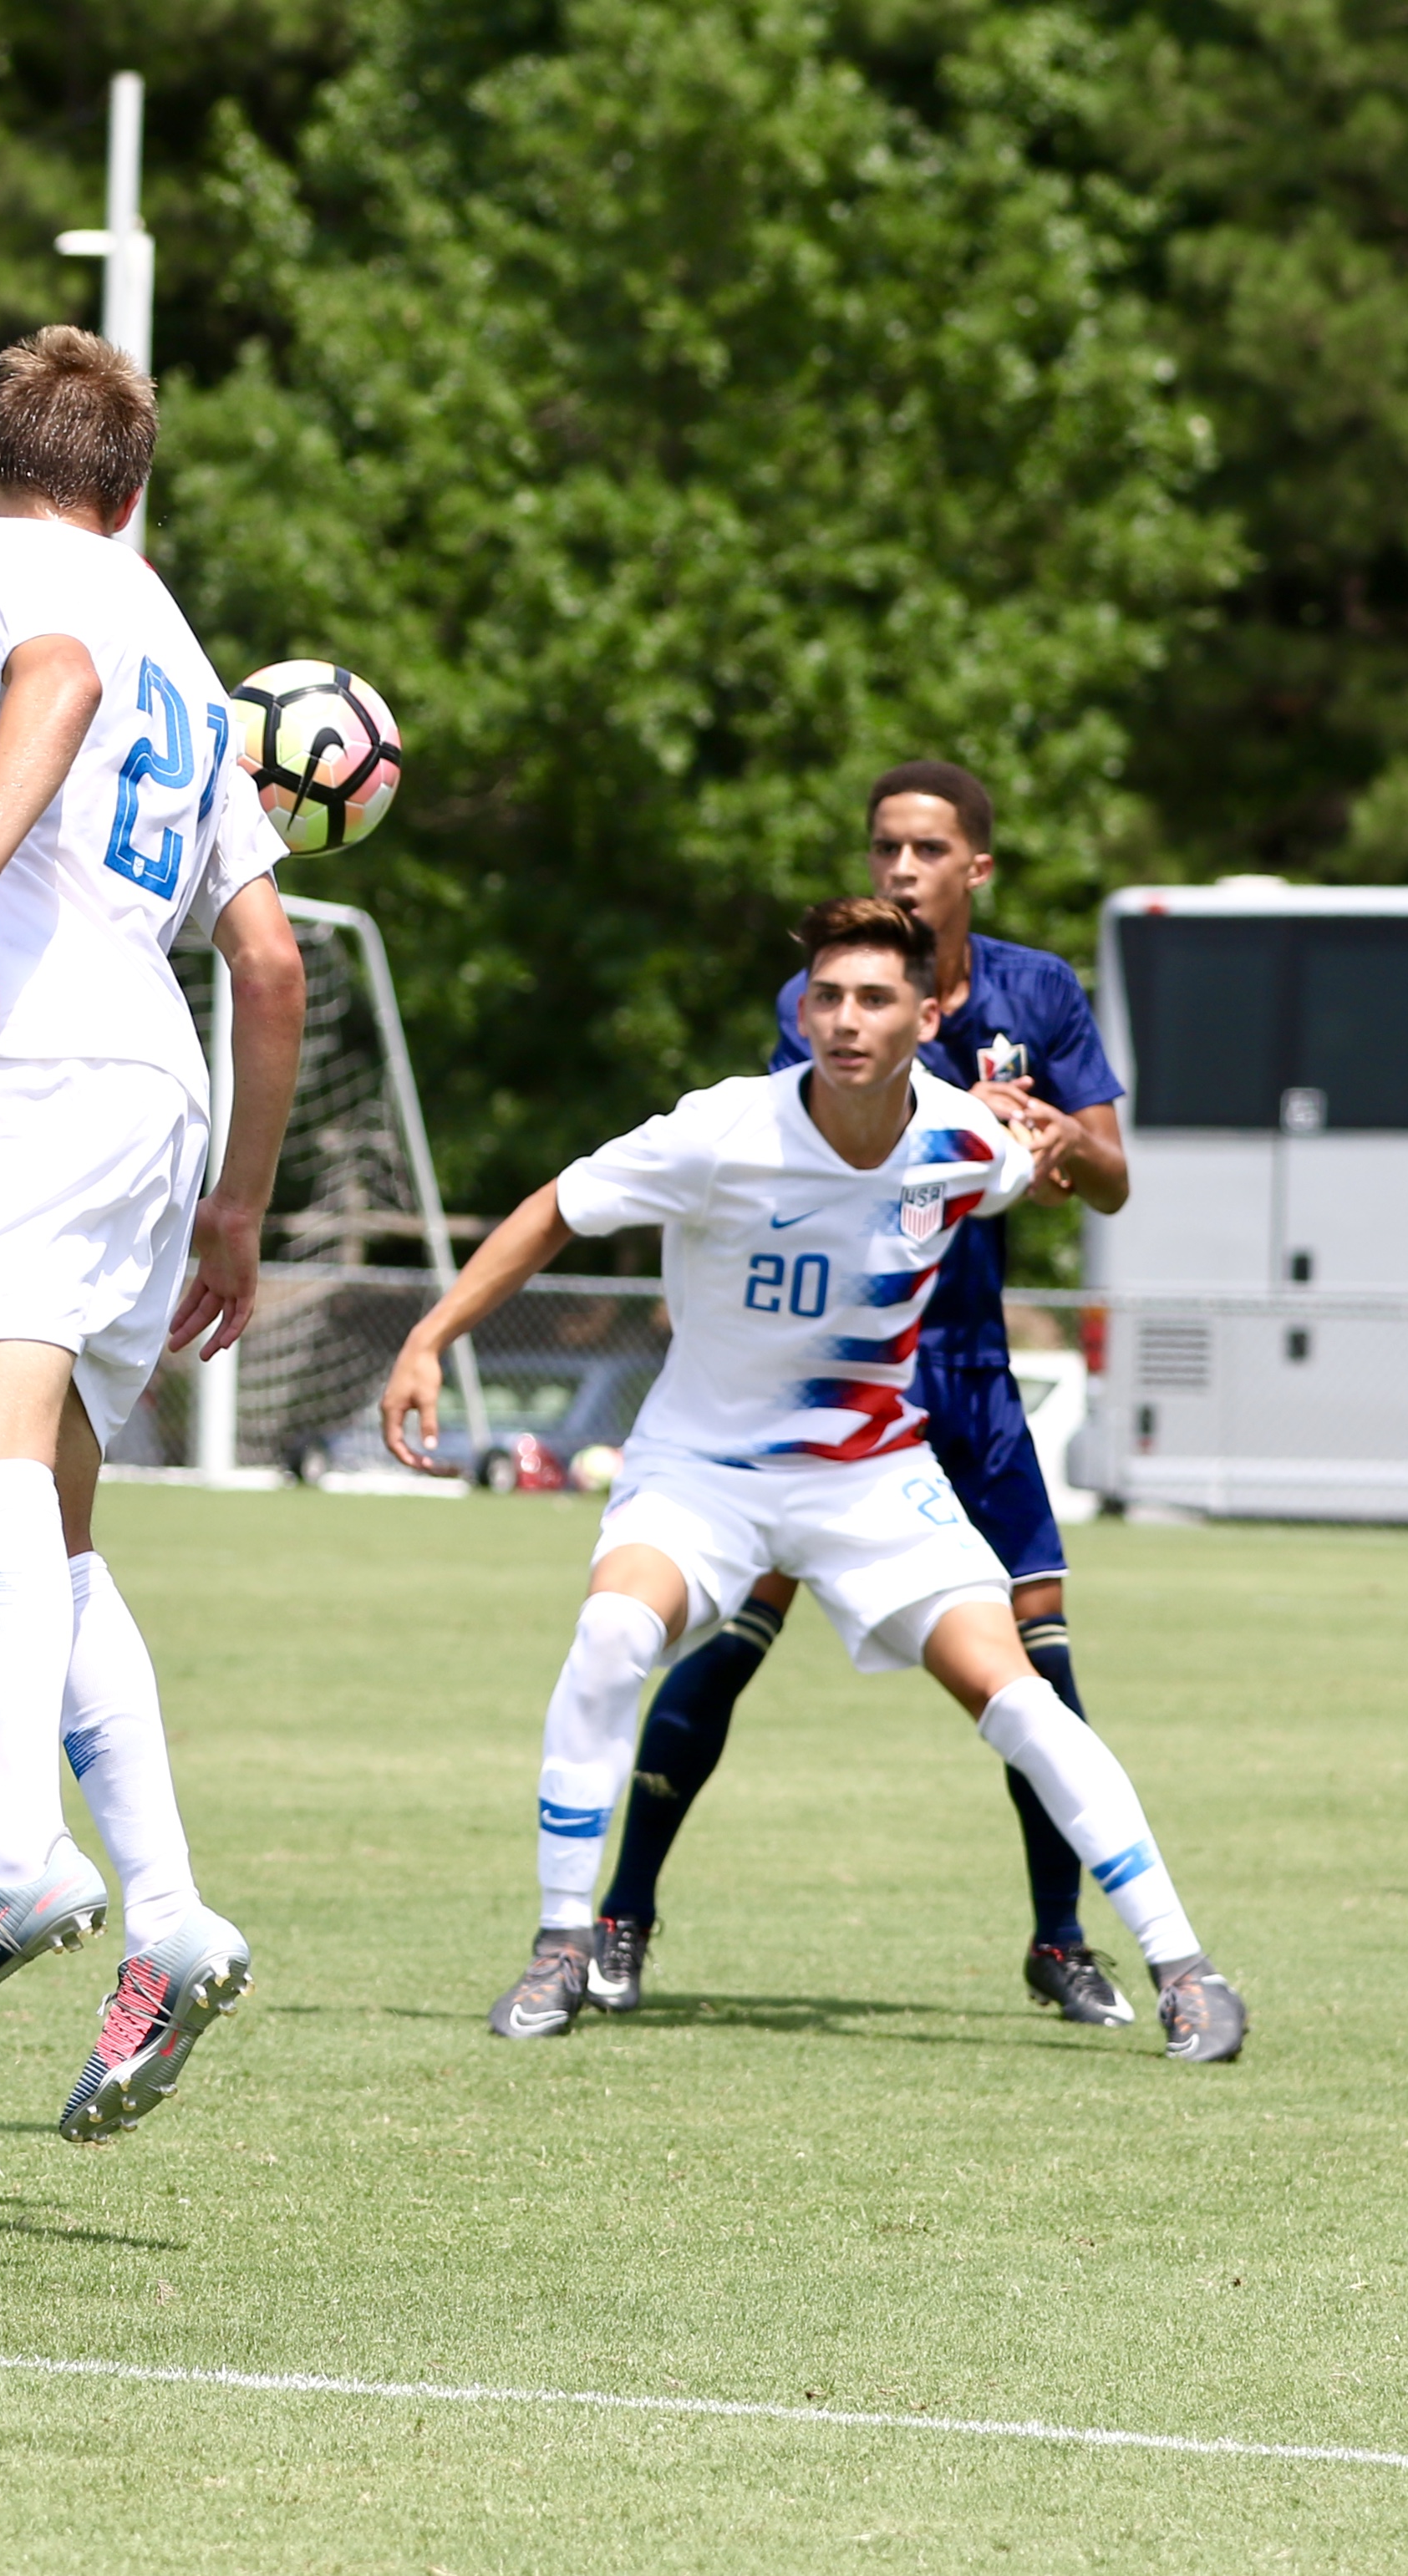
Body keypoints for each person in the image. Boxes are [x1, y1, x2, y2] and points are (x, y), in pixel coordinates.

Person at [379, 896, 1248, 2060]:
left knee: (1023, 1702)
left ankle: (1185, 1968)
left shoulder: (964, 1141)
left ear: (928, 1014)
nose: (842, 1021)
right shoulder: (718, 1129)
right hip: (703, 1472)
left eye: (874, 1000)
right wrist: (428, 1338)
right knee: (607, 1642)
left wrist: (1050, 1139)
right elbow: (552, 1210)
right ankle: (559, 1944)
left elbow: (1055, 1169)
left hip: (870, 1477)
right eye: (824, 997)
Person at [0, 324, 308, 2140]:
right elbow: (265, 962)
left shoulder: (14, 562)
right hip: (156, 1087)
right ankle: (171, 1911)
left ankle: (17, 1856)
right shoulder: (180, 642)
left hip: (26, 1062)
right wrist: (238, 1208)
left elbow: (36, 669)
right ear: (139, 489)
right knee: (57, 1509)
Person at [586, 763, 1143, 2028]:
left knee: (1036, 1665)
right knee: (725, 1646)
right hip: (828, 1384)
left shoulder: (1040, 991)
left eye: (927, 851)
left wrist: (1055, 1134)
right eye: (886, 847)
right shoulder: (831, 997)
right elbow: (862, 1110)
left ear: (974, 869)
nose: (901, 869)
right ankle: (619, 1916)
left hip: (969, 1375)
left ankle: (1059, 1941)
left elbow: (1110, 1178)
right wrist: (964, 1103)